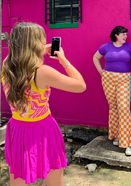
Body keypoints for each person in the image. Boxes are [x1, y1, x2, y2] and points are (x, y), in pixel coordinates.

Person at [1, 22, 86, 186]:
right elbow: (81, 85)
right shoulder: (43, 72)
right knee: (53, 179)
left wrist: (36, 49)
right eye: (41, 40)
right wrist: (63, 60)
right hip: (43, 130)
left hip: (17, 129)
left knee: (18, 176)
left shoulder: (7, 67)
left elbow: (17, 54)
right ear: (34, 44)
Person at [93, 25, 131, 156]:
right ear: (116, 35)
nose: (125, 37)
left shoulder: (129, 47)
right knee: (113, 107)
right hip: (108, 78)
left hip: (124, 79)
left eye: (126, 35)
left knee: (123, 107)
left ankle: (127, 142)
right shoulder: (106, 46)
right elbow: (95, 58)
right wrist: (101, 72)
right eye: (123, 34)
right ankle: (117, 135)